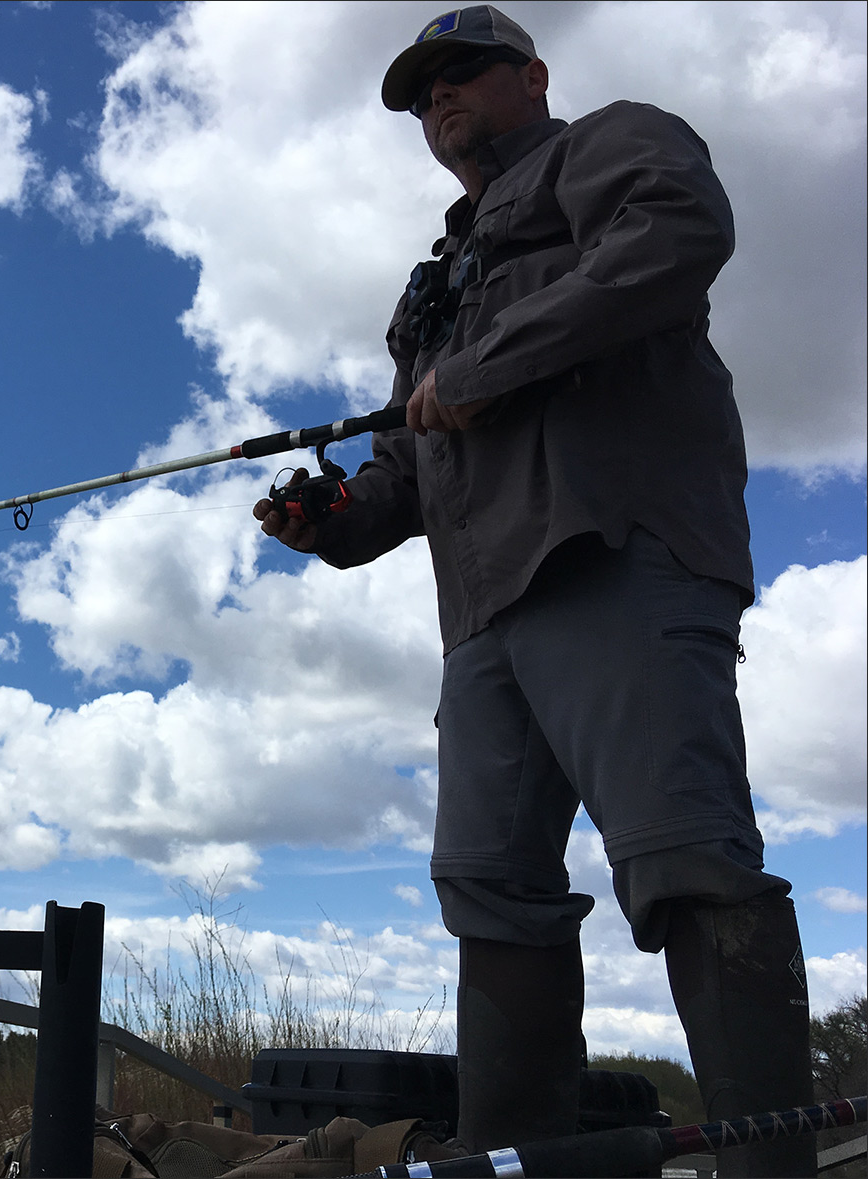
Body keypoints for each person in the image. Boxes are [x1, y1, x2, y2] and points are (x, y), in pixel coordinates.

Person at [255, 7, 814, 1174]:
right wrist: (332, 522)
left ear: (530, 75)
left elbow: (676, 237)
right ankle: (509, 1162)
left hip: (618, 555)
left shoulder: (611, 142)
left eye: (460, 74)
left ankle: (775, 1162)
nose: (437, 100)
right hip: (483, 622)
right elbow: (409, 471)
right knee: (488, 888)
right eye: (418, 94)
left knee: (684, 859)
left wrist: (487, 363)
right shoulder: (428, 289)